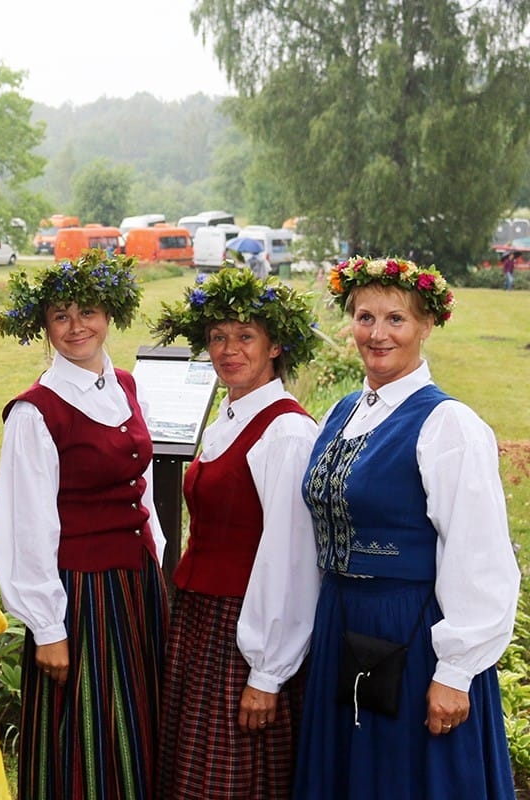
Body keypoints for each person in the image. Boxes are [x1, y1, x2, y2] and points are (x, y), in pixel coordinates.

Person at [294, 256, 520, 798]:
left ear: (426, 324)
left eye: (396, 319)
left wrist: (456, 671)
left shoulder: (449, 425)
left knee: (405, 779)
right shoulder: (341, 414)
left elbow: (479, 552)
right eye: (364, 317)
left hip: (411, 632)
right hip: (341, 622)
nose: (377, 333)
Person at [0, 249, 168, 799]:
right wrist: (47, 628)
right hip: (82, 595)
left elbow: (140, 489)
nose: (76, 327)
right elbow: (26, 528)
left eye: (87, 311)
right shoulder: (36, 411)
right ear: (43, 325)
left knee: (142, 728)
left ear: (108, 314)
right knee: (92, 741)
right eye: (60, 315)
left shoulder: (124, 385)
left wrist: (157, 561)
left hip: (136, 583)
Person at [149, 266, 322, 799]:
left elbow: (290, 559)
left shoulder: (286, 431)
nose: (229, 349)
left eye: (245, 336)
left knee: (234, 774)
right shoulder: (230, 416)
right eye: (218, 337)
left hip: (245, 626)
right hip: (203, 619)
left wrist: (267, 672)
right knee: (193, 770)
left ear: (274, 347)